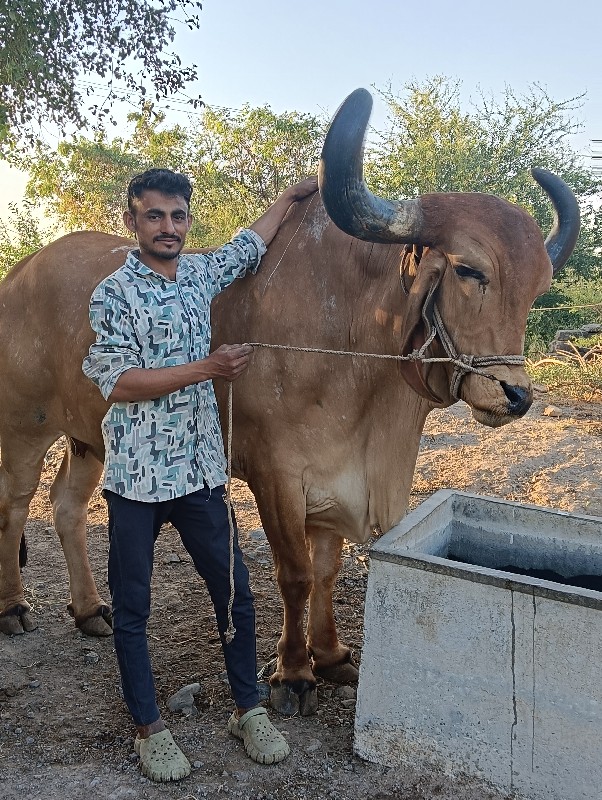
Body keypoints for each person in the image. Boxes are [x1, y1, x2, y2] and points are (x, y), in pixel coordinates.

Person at [82, 167, 318, 782]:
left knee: (235, 591)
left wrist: (290, 196)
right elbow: (120, 383)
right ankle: (148, 727)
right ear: (131, 219)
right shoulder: (113, 294)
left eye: (178, 216)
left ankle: (248, 707)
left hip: (200, 473)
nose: (168, 227)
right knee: (134, 607)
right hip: (136, 479)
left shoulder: (199, 273)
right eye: (154, 215)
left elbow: (249, 243)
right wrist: (208, 367)